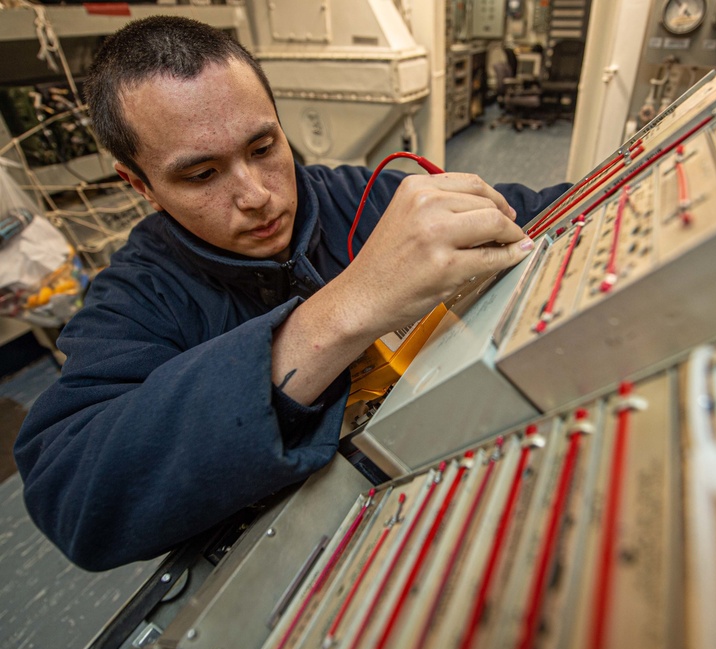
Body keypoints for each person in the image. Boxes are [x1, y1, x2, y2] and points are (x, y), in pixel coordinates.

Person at [13, 16, 569, 571]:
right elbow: (72, 495)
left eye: (262, 147)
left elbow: (558, 210)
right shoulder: (139, 296)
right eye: (203, 175)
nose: (256, 196)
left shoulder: (365, 198)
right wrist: (338, 314)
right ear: (140, 185)